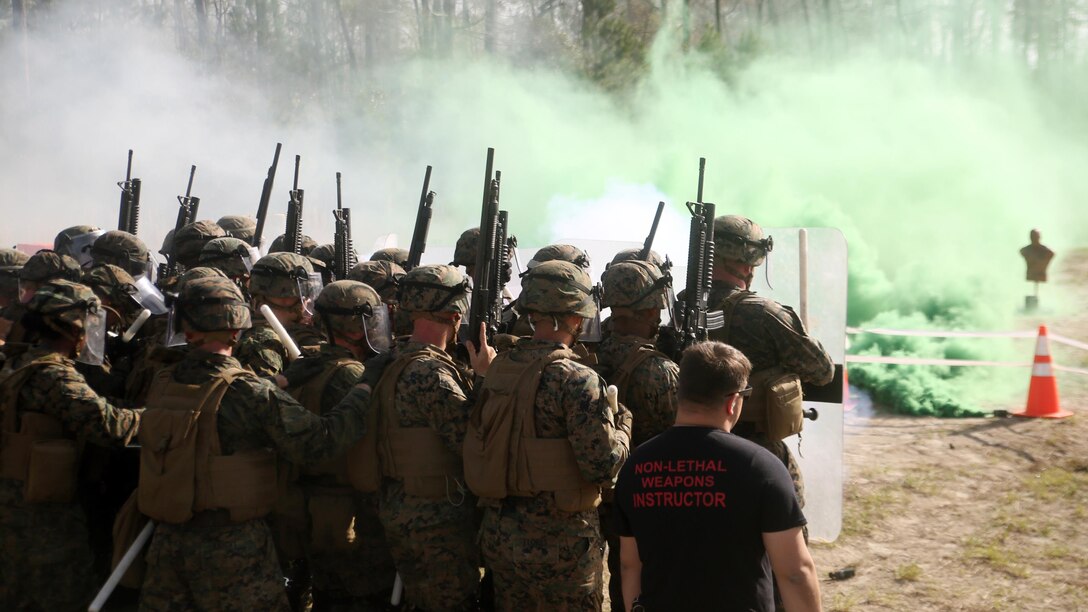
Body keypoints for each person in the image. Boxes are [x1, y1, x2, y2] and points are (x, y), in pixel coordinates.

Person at [136, 275, 371, 611]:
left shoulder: (164, 380)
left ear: (187, 329)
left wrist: (283, 380)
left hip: (166, 542)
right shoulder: (249, 392)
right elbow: (319, 442)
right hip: (232, 548)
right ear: (237, 329)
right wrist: (363, 392)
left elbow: (212, 396)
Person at [467, 259, 631, 611]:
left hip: (501, 539)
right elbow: (603, 466)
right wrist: (623, 426)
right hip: (562, 547)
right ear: (575, 317)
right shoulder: (576, 378)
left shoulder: (499, 368)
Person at [614, 341, 821, 612]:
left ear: (680, 393)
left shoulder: (636, 465)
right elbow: (795, 573)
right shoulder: (761, 468)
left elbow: (630, 565)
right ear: (733, 401)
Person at [0, 280, 142, 610]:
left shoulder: (14, 361)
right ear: (75, 327)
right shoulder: (54, 374)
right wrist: (156, 416)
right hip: (41, 518)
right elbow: (110, 427)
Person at [366, 264, 493, 611]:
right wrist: (483, 378)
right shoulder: (430, 372)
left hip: (408, 509)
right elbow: (473, 439)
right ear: (455, 314)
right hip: (434, 520)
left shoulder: (396, 358)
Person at [705, 215, 834, 520]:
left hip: (695, 449)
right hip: (758, 447)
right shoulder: (764, 313)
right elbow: (822, 370)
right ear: (747, 261)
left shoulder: (681, 307)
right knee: (785, 529)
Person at [281, 280, 397, 610]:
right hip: (348, 516)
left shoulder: (307, 368)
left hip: (310, 510)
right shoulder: (351, 375)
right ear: (358, 325)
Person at [595, 259, 679, 608]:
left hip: (600, 496)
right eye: (656, 309)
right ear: (646, 310)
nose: (659, 317)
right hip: (650, 498)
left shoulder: (587, 354)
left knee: (617, 580)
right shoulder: (662, 371)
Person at [235, 252, 325, 376]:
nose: (305, 300)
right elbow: (265, 392)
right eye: (301, 293)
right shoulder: (263, 340)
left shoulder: (275, 331)